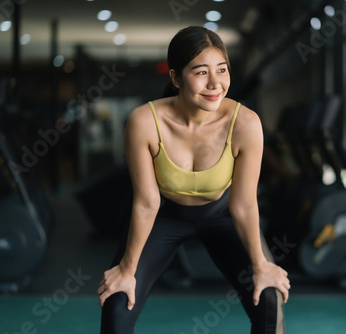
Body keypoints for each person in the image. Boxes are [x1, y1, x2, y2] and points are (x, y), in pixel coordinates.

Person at [98, 26, 290, 334]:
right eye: (201, 72)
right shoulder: (145, 122)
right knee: (118, 302)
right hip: (163, 217)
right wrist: (126, 270)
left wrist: (260, 265)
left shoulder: (245, 123)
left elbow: (243, 204)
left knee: (268, 297)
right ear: (175, 78)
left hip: (224, 215)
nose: (215, 83)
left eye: (222, 70)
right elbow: (147, 202)